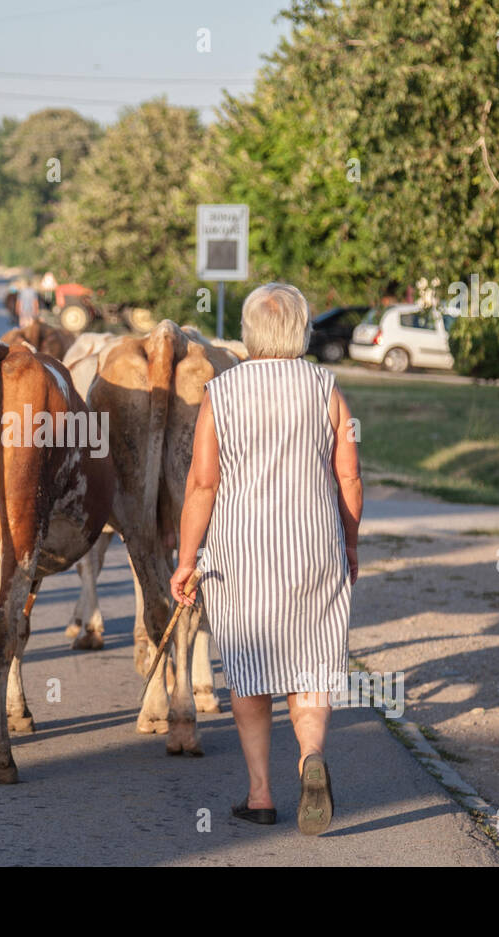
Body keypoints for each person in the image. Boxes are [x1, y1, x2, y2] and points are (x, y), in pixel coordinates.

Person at [169, 282, 363, 836]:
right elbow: (348, 475)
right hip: (314, 546)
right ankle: (311, 759)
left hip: (241, 553)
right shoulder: (326, 387)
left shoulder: (221, 392)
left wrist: (187, 560)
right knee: (311, 663)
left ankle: (259, 795)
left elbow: (203, 484)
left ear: (251, 332)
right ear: (301, 330)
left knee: (250, 675)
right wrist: (348, 544)